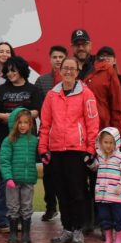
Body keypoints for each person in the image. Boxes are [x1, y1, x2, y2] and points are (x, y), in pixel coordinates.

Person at [37, 56, 98, 243]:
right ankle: (67, 229)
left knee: (77, 192)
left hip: (76, 150)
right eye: (65, 68)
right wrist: (43, 148)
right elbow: (45, 124)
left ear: (78, 72)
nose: (69, 72)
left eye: (72, 68)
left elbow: (92, 124)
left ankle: (78, 230)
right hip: (56, 151)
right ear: (59, 70)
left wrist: (90, 149)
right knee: (61, 192)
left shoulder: (86, 94)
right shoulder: (52, 95)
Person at [0, 56, 41, 233]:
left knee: (23, 181)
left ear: (21, 69)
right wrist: (6, 117)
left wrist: (19, 117)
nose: (10, 73)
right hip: (5, 139)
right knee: (6, 180)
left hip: (25, 143)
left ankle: (21, 219)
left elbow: (36, 111)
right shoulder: (2, 89)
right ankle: (4, 219)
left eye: (13, 70)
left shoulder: (32, 89)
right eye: (8, 71)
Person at [34, 45, 67, 222]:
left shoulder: (72, 80)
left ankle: (65, 209)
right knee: (48, 174)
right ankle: (50, 207)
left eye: (61, 56)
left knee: (65, 175)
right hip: (48, 135)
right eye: (55, 56)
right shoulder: (42, 81)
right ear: (50, 59)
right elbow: (39, 109)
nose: (58, 60)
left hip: (67, 137)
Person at [89, 126, 121, 243]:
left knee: (119, 219)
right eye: (105, 142)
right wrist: (89, 162)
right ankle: (108, 239)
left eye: (111, 143)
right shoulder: (100, 158)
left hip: (116, 196)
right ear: (100, 143)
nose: (108, 145)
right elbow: (94, 168)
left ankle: (119, 240)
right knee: (104, 218)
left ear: (116, 143)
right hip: (102, 196)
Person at [0, 108, 38, 243]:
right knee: (13, 206)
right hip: (13, 181)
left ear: (30, 124)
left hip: (28, 180)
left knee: (26, 206)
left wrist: (45, 157)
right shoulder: (9, 141)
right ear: (14, 123)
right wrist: (8, 177)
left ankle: (26, 233)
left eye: (26, 122)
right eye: (19, 122)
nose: (22, 125)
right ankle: (13, 233)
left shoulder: (34, 141)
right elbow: (4, 160)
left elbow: (39, 155)